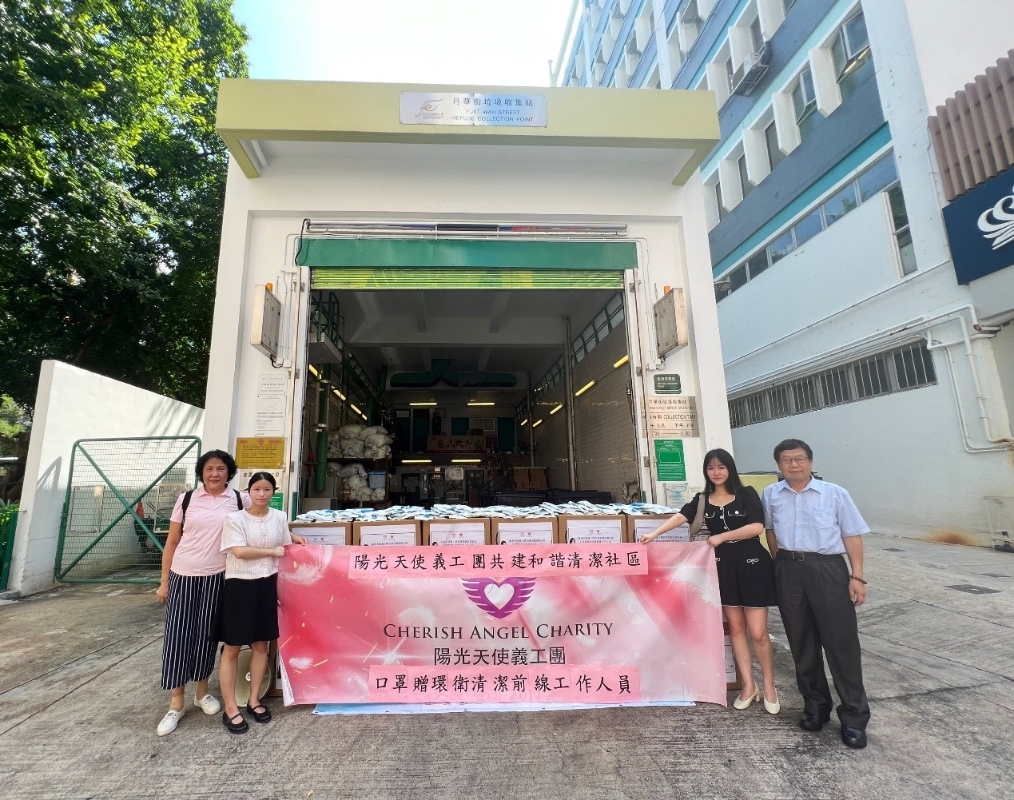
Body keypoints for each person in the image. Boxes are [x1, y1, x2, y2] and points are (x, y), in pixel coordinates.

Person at [642, 448, 779, 714]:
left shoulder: (747, 493)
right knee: (736, 628)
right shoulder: (702, 499)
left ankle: (769, 686)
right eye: (711, 468)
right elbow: (681, 516)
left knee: (758, 632)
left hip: (752, 565)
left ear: (730, 469)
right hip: (722, 567)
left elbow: (756, 527)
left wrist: (721, 537)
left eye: (721, 467)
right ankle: (749, 686)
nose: (716, 472)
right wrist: (654, 534)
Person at [762, 438, 871, 749]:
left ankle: (853, 718)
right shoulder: (771, 494)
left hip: (827, 569)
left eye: (799, 458)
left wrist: (857, 576)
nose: (793, 464)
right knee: (801, 642)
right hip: (789, 569)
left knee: (841, 644)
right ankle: (815, 707)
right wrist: (780, 563)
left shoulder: (835, 493)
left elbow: (852, 534)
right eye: (786, 460)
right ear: (779, 465)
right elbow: (770, 530)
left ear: (810, 461)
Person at [155, 450, 247, 737]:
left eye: (220, 468)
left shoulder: (239, 500)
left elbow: (262, 521)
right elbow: (172, 541)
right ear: (201, 472)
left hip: (218, 576)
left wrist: (290, 535)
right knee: (178, 636)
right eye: (209, 468)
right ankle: (176, 702)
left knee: (208, 635)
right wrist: (164, 581)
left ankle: (202, 693)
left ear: (229, 473)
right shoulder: (187, 499)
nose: (215, 473)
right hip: (183, 574)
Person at [214, 472, 306, 734]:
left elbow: (285, 544)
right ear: (249, 492)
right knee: (232, 648)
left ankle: (254, 700)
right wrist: (272, 551)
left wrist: (295, 539)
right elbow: (239, 552)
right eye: (256, 489)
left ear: (273, 492)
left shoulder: (279, 517)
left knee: (261, 646)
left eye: (267, 489)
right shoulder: (235, 519)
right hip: (239, 586)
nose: (262, 494)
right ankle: (230, 708)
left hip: (267, 585)